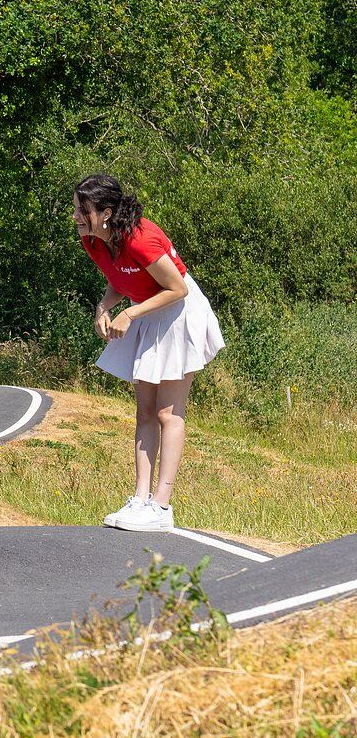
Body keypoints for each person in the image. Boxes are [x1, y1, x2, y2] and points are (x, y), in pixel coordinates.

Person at [72, 174, 225, 532]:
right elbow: (119, 278)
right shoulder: (93, 240)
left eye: (83, 210)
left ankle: (162, 507)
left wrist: (130, 313)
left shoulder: (140, 239)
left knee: (167, 412)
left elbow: (177, 288)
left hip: (177, 312)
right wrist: (104, 307)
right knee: (144, 410)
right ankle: (140, 500)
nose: (77, 217)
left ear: (106, 213)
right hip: (147, 310)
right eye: (77, 209)